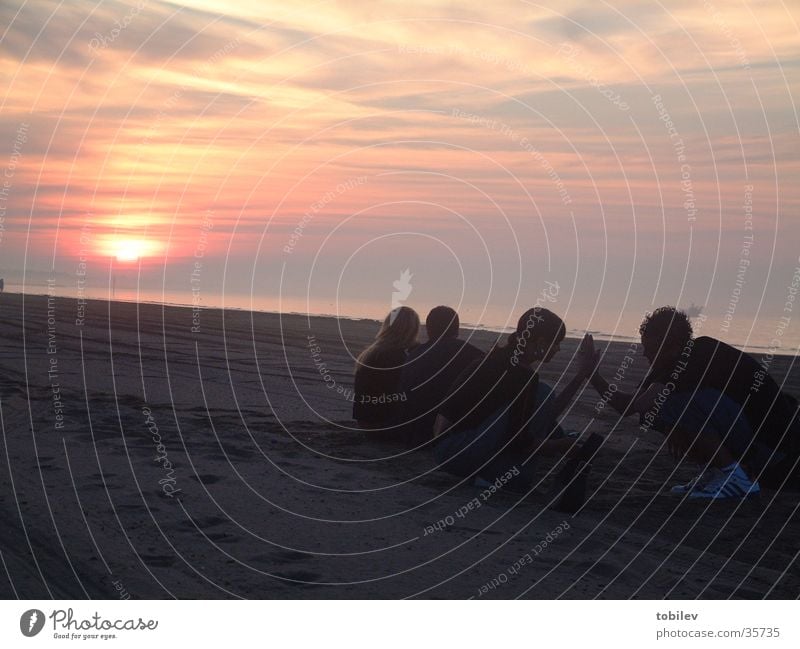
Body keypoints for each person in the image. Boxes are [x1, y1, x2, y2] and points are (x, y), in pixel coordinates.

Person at [584, 306, 800, 498]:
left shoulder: (701, 352)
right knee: (658, 408)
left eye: (650, 348)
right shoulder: (667, 366)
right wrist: (592, 375)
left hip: (776, 448)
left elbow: (638, 404)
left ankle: (733, 476)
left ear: (672, 346)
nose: (644, 354)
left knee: (670, 403)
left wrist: (676, 423)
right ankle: (718, 470)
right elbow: (628, 406)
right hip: (756, 448)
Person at [432, 307, 596, 488]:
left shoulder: (496, 358)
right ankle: (492, 477)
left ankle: (493, 471)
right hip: (459, 450)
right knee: (543, 394)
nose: (558, 349)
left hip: (446, 448)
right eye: (556, 343)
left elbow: (543, 414)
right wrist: (560, 446)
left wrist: (582, 375)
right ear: (541, 341)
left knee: (541, 401)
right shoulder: (520, 375)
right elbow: (519, 442)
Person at [395, 306, 483, 447]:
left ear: (428, 330)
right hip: (440, 433)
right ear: (457, 329)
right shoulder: (469, 354)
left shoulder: (414, 355)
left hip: (410, 431)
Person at [353, 306, 419, 431]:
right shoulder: (395, 357)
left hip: (365, 420)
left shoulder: (372, 352)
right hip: (382, 424)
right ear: (412, 329)